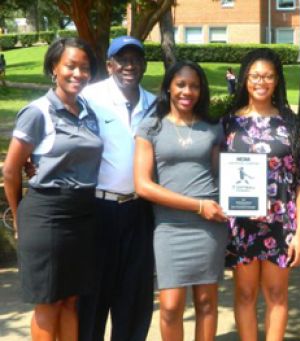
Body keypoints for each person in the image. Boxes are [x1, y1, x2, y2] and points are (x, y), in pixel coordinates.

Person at [2, 37, 100, 341]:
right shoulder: (38, 112)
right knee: (49, 301)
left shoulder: (88, 111)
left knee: (71, 299)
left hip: (83, 215)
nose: (78, 73)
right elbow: (10, 169)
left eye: (85, 68)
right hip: (46, 215)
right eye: (71, 65)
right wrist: (18, 217)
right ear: (54, 68)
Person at [134, 60, 228, 341]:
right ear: (169, 87)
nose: (188, 91)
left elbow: (220, 176)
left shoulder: (212, 128)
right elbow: (143, 185)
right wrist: (198, 206)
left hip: (209, 227)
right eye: (181, 84)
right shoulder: (150, 127)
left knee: (207, 304)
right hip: (170, 227)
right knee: (171, 307)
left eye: (195, 86)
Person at [222, 48, 300, 341]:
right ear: (245, 78)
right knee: (245, 293)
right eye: (256, 75)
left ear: (277, 81)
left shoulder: (291, 124)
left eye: (268, 76)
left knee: (276, 294)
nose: (262, 81)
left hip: (280, 222)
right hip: (241, 224)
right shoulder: (229, 123)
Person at [78, 35, 156, 341]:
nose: (130, 65)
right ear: (110, 65)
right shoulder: (89, 97)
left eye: (136, 59)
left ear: (144, 65)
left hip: (139, 210)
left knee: (134, 297)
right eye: (122, 59)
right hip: (99, 210)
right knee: (94, 296)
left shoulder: (155, 103)